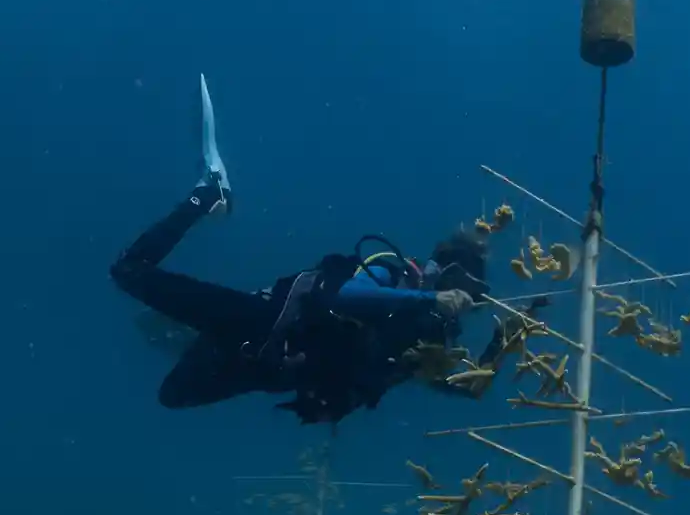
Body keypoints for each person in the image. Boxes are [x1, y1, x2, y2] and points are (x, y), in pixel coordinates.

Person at [111, 85, 516, 425]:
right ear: (438, 269)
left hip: (269, 369)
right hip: (261, 320)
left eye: (473, 294)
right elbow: (342, 296)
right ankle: (210, 192)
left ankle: (186, 335)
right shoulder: (394, 276)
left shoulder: (425, 341)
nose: (462, 298)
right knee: (128, 270)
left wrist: (500, 347)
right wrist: (428, 297)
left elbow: (460, 386)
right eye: (459, 283)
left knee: (171, 396)